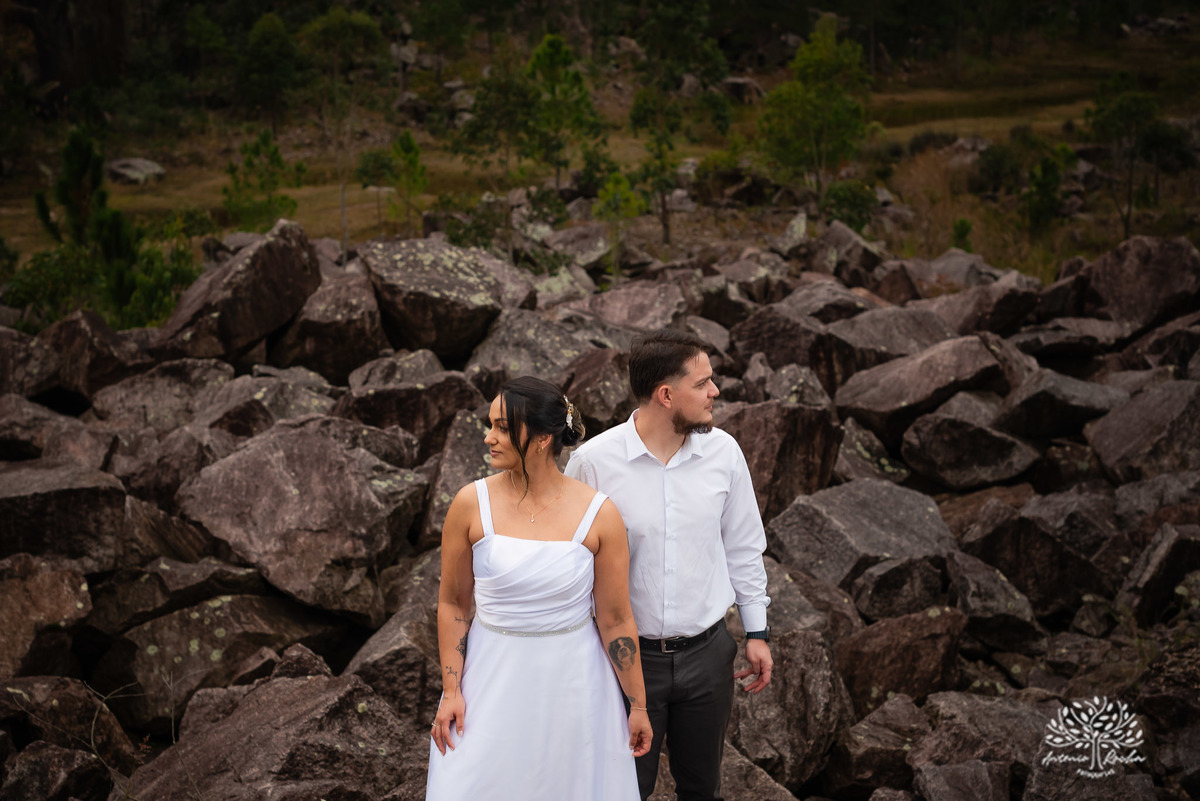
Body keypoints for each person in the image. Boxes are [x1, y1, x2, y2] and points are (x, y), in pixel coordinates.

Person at [565, 329, 773, 801]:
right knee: (623, 791)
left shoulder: (724, 453)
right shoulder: (592, 464)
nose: (714, 391)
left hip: (708, 657)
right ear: (665, 395)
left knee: (702, 789)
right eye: (702, 384)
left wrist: (757, 633)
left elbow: (743, 546)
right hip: (624, 662)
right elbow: (571, 568)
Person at [427, 376, 653, 801]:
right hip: (488, 679)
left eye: (502, 427)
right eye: (490, 425)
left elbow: (616, 618)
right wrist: (452, 691)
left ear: (543, 438)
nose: (488, 437)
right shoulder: (469, 504)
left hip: (575, 686)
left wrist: (637, 704)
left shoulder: (599, 514)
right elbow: (453, 604)